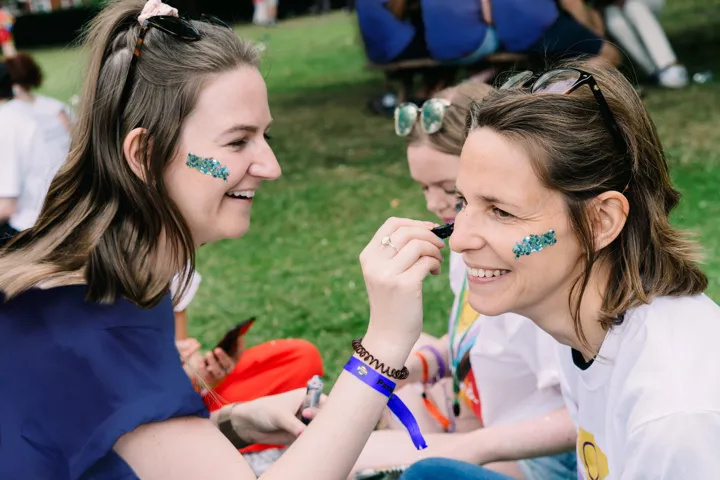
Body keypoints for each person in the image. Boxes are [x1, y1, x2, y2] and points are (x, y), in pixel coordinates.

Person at [0, 0, 446, 479]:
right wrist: (384, 344)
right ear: (145, 154)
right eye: (237, 142)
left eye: (265, 136)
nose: (270, 166)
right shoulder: (100, 328)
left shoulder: (105, 282)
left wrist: (234, 421)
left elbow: (115, 450)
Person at [401, 60, 720, 479]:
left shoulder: (673, 416)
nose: (458, 240)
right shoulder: (584, 325)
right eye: (464, 201)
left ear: (600, 221)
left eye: (500, 211)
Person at [351, 80, 576, 480]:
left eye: (450, 191)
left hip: (539, 457)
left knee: (351, 457)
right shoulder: (468, 245)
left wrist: (470, 448)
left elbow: (581, 413)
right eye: (422, 187)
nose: (433, 204)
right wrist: (406, 369)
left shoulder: (536, 279)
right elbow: (477, 342)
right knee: (405, 355)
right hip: (483, 416)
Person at [171, 271, 325, 475]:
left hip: (192, 399)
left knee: (300, 356)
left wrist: (204, 377)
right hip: (159, 419)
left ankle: (251, 446)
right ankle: (252, 452)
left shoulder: (173, 270)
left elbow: (179, 352)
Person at [0, 62, 55, 248]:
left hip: (26, 230)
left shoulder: (5, 124)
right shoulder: (17, 111)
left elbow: (6, 206)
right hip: (44, 219)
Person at [596, 0, 689, 87]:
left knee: (633, 6)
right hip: (613, 6)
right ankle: (653, 72)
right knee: (614, 22)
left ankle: (670, 66)